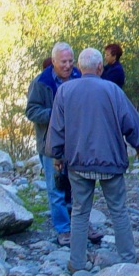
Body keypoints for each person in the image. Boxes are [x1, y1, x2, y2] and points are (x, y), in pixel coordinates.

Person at [46, 48, 139, 272]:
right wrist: (138, 143)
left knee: (80, 212)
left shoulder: (65, 91)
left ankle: (77, 263)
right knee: (118, 210)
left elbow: (57, 127)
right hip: (111, 161)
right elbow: (130, 120)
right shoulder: (112, 89)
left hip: (78, 163)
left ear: (79, 68)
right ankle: (128, 259)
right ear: (100, 67)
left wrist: (56, 155)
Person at [26, 42, 81, 246]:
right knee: (56, 188)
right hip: (50, 145)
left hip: (75, 144)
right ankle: (63, 229)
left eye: (70, 61)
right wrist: (56, 115)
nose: (67, 66)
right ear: (54, 62)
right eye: (63, 62)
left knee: (77, 186)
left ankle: (80, 224)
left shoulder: (79, 77)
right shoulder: (41, 82)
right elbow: (31, 111)